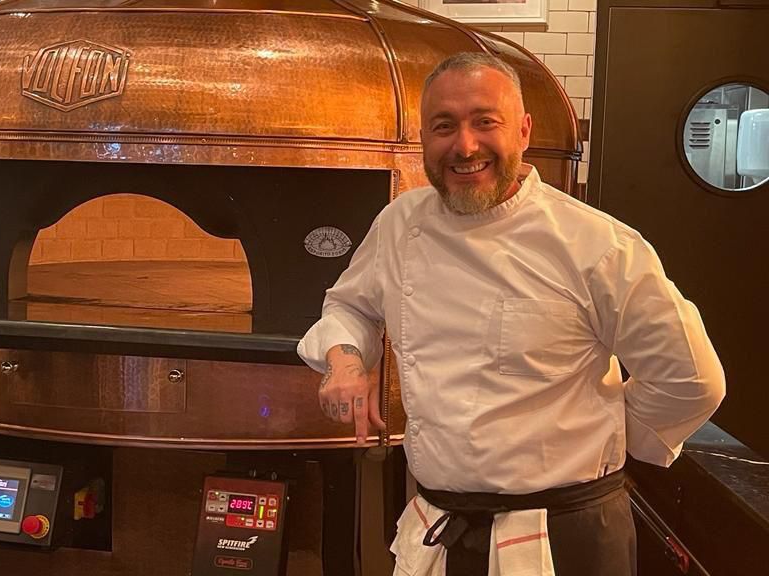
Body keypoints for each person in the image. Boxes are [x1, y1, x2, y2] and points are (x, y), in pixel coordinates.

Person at [296, 52, 725, 576]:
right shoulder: (399, 224)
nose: (465, 146)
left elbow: (691, 379)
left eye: (485, 122)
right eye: (444, 126)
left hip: (563, 538)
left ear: (523, 131)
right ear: (423, 138)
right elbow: (351, 304)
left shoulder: (597, 244)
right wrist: (345, 359)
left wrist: (603, 435)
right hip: (439, 528)